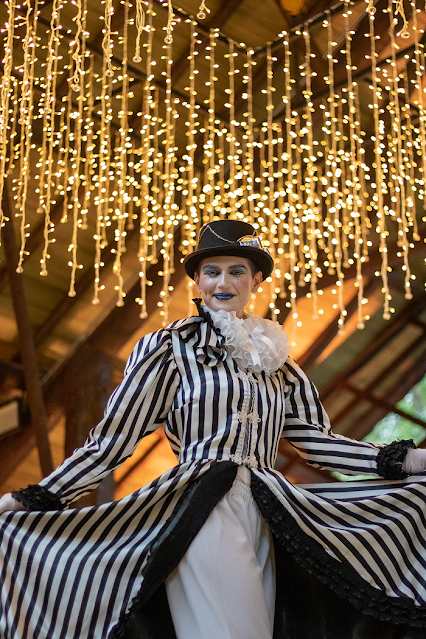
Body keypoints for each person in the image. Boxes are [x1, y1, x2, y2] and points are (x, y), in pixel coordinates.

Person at [1, 218, 426, 639]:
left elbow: (318, 443)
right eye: (212, 271)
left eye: (237, 270)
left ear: (256, 279)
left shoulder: (280, 364)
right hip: (203, 506)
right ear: (198, 281)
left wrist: (409, 460)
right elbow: (113, 439)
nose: (224, 281)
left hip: (268, 510)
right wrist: (35, 496)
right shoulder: (168, 347)